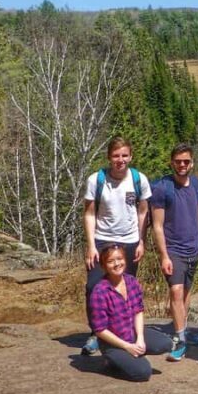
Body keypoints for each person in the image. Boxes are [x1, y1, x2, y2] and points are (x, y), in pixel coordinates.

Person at [82, 136, 152, 356]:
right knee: (94, 287)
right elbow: (89, 212)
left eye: (124, 155)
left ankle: (125, 332)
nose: (120, 160)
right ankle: (97, 333)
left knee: (126, 290)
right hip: (103, 240)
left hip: (130, 241)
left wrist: (142, 241)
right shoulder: (97, 180)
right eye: (115, 156)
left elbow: (143, 212)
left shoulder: (139, 179)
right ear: (109, 157)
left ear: (130, 156)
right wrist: (91, 244)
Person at [150, 143, 198, 362]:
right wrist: (164, 255)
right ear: (171, 162)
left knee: (186, 292)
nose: (182, 165)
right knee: (176, 290)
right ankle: (180, 339)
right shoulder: (163, 188)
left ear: (191, 163)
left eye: (186, 161)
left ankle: (183, 329)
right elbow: (157, 225)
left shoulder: (197, 185)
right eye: (178, 161)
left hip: (193, 247)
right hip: (173, 248)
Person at [87, 244, 172, 381]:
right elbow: (99, 329)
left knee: (165, 344)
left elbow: (138, 311)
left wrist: (140, 339)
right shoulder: (99, 291)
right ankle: (113, 360)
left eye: (119, 259)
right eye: (110, 261)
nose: (116, 264)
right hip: (113, 342)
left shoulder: (131, 281)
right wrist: (127, 346)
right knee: (143, 373)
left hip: (131, 332)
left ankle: (130, 358)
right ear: (103, 266)